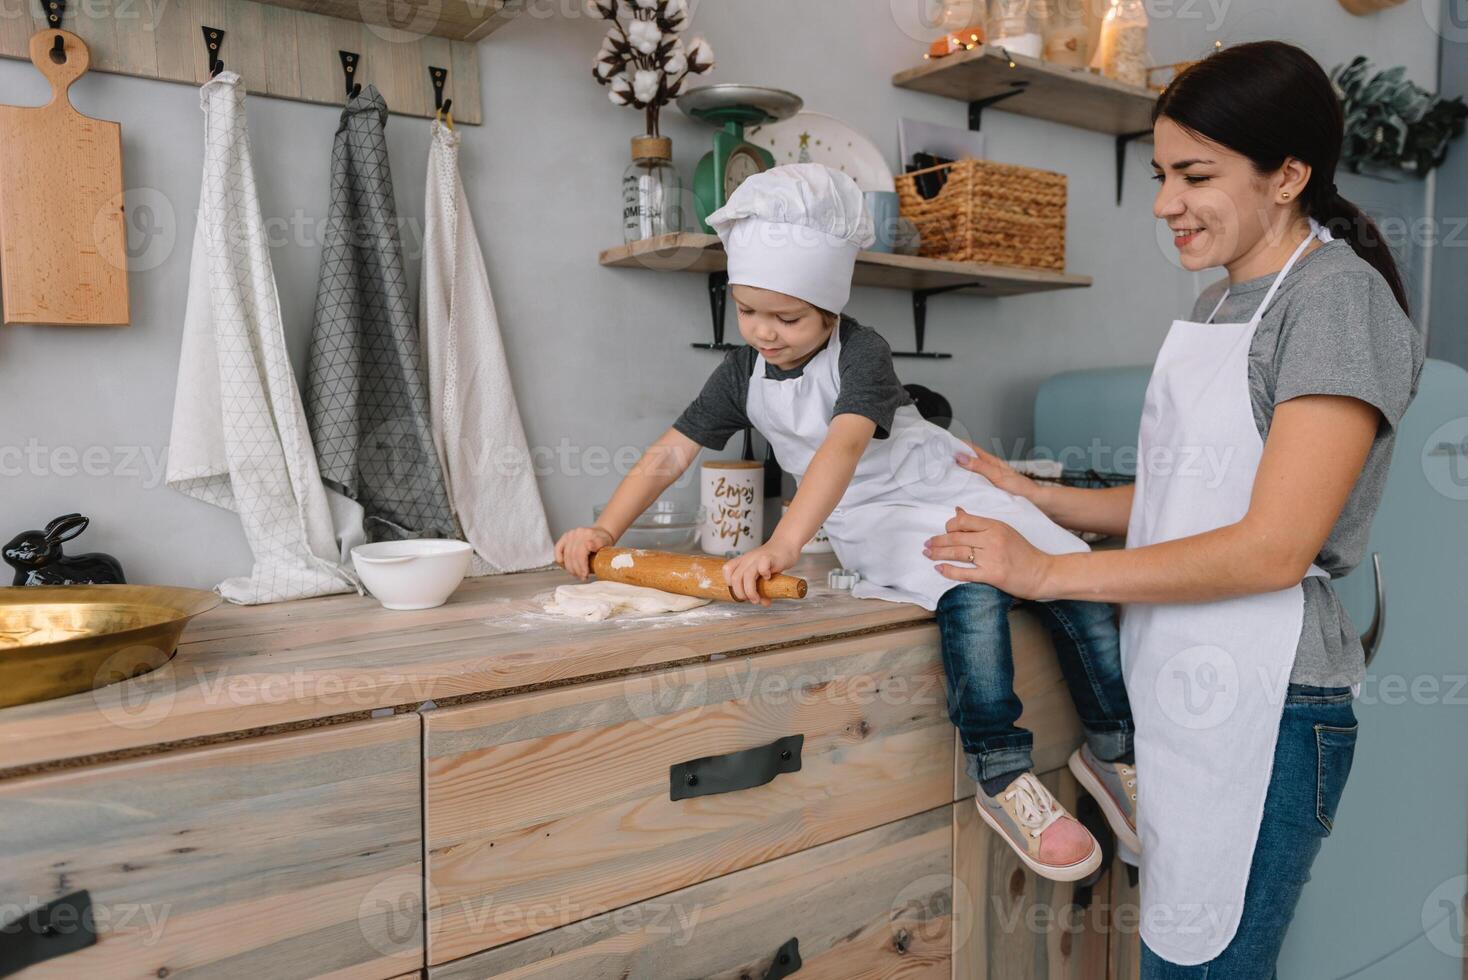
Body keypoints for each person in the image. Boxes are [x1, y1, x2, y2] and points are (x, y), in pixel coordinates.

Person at [924, 41, 1423, 977]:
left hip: (1273, 700)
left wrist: (1044, 570)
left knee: (1205, 966)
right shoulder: (1219, 305)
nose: (1163, 203)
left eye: (1194, 175)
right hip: (1191, 683)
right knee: (1186, 958)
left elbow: (1273, 546)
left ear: (1289, 175)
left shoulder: (1334, 303)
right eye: (1161, 174)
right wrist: (1040, 495)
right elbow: (1190, 499)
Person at [555, 162, 1138, 882]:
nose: (764, 332)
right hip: (870, 514)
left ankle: (1113, 753)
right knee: (973, 592)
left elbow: (844, 442)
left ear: (830, 310)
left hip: (943, 481)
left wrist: (782, 543)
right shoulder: (742, 372)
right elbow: (671, 452)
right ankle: (1002, 772)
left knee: (1075, 579)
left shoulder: (863, 352)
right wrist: (606, 531)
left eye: (788, 317)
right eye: (748, 311)